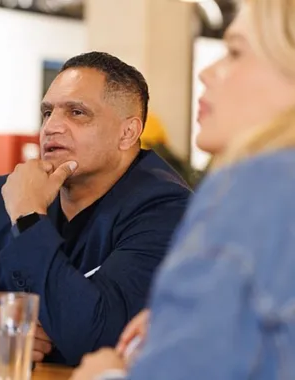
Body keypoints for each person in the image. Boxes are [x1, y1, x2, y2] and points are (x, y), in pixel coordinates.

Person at [0, 52, 192, 366]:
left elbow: (98, 339)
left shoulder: (167, 209)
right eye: (47, 112)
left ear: (128, 133)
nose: (51, 127)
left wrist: (28, 218)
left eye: (77, 113)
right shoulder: (6, 195)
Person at [72, 0, 295, 378]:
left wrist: (103, 375)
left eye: (235, 52)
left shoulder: (254, 187)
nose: (208, 72)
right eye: (49, 113)